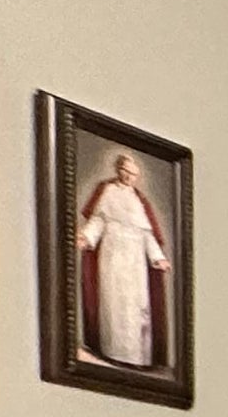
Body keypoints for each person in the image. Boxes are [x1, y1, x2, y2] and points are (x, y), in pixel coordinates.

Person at [73, 148, 170, 368]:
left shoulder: (139, 200)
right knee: (115, 303)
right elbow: (98, 221)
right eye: (125, 171)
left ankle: (137, 358)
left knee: (137, 306)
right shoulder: (106, 191)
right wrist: (86, 238)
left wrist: (158, 258)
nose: (128, 177)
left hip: (135, 258)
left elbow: (147, 234)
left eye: (133, 174)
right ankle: (113, 354)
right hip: (113, 253)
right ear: (119, 169)